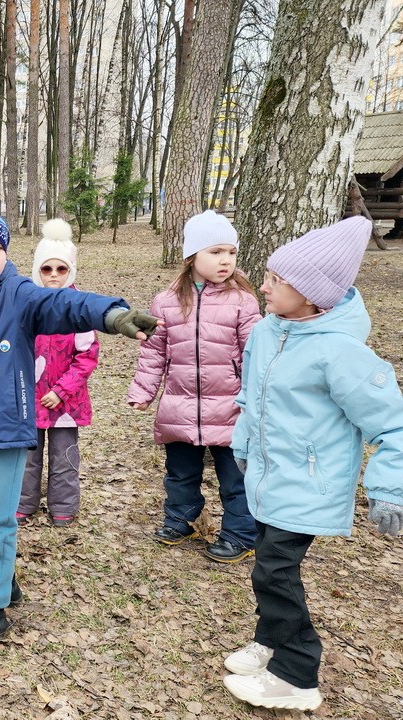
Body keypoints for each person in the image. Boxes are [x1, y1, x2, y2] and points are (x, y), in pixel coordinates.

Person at [0, 207, 160, 648]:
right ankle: (1, 578)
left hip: (6, 427)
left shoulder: (18, 294)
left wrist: (111, 315)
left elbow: (64, 304)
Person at [222, 216, 403, 711]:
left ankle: (296, 674)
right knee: (267, 568)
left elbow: (393, 424)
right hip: (265, 479)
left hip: (308, 486)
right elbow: (249, 398)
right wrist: (242, 447)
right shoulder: (266, 331)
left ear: (311, 293)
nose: (263, 285)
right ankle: (270, 641)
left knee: (274, 573)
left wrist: (390, 490)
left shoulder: (340, 352)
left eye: (277, 281)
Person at [127, 210, 261, 562]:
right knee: (180, 473)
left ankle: (240, 534)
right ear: (192, 257)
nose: (225, 260)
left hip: (231, 408)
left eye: (231, 252)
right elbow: (154, 351)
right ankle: (180, 520)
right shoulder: (166, 301)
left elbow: (254, 354)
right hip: (180, 404)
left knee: (235, 478)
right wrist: (143, 391)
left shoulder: (243, 301)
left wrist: (256, 398)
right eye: (215, 252)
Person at [17, 219, 99, 528]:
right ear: (37, 270)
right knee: (26, 458)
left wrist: (61, 391)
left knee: (65, 457)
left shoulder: (80, 308)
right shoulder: (26, 305)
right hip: (29, 398)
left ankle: (64, 506)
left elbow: (86, 357)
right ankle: (24, 503)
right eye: (47, 269)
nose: (53, 275)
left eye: (61, 269)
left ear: (71, 271)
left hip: (66, 401)